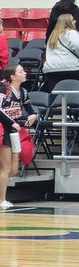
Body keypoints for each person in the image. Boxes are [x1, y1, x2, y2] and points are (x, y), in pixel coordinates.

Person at [0, 63, 37, 210]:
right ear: (12, 76)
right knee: (5, 168)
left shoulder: (23, 92)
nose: (25, 73)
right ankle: (2, 201)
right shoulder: (4, 89)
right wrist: (12, 122)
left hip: (14, 131)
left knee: (14, 169)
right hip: (4, 130)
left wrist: (34, 115)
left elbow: (30, 109)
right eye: (21, 71)